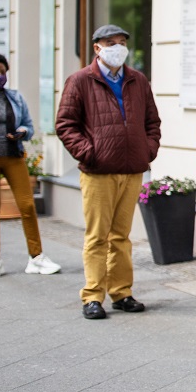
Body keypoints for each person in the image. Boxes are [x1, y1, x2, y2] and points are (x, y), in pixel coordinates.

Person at [56, 24, 160, 320]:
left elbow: (152, 122)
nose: (118, 48)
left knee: (122, 236)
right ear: (97, 48)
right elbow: (65, 124)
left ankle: (122, 292)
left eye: (122, 42)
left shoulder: (137, 80)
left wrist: (147, 150)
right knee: (97, 236)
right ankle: (92, 295)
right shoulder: (80, 80)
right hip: (98, 172)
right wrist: (89, 153)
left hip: (132, 169)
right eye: (111, 43)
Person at [0, 53, 61, 279]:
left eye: (3, 72)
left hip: (13, 156)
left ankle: (36, 257)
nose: (0, 76)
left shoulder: (15, 98)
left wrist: (22, 132)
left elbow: (28, 126)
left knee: (27, 205)